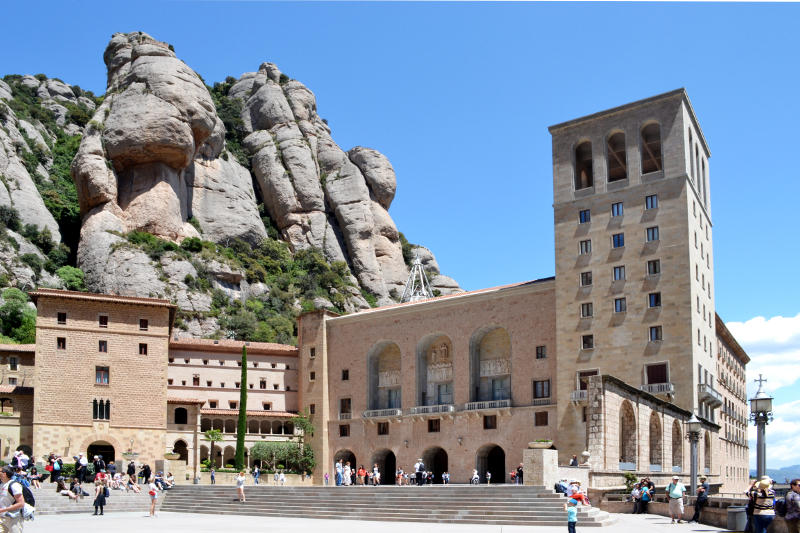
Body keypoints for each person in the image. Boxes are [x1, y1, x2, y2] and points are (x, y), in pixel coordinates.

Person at [0, 465, 25, 533]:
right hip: (2, 518)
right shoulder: (2, 484)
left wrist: (4, 509)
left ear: (4, 473)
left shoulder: (14, 485)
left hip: (14, 518)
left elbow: (21, 503)